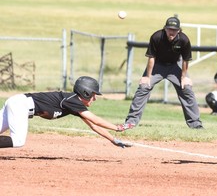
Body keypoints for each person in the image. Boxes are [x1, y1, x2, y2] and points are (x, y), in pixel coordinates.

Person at [0, 76, 131, 149]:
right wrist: (118, 128)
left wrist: (113, 139)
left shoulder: (74, 104)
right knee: (18, 141)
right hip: (20, 106)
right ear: (85, 92)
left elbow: (93, 125)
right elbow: (95, 119)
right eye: (93, 94)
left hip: (17, 103)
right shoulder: (72, 100)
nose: (95, 98)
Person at [120, 16, 203, 130]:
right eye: (169, 29)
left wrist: (184, 77)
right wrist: (148, 77)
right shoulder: (157, 37)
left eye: (174, 30)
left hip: (175, 65)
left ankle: (195, 124)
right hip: (157, 65)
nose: (171, 32)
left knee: (186, 88)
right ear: (165, 28)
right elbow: (151, 58)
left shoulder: (184, 39)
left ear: (179, 30)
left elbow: (185, 60)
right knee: (144, 86)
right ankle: (131, 121)